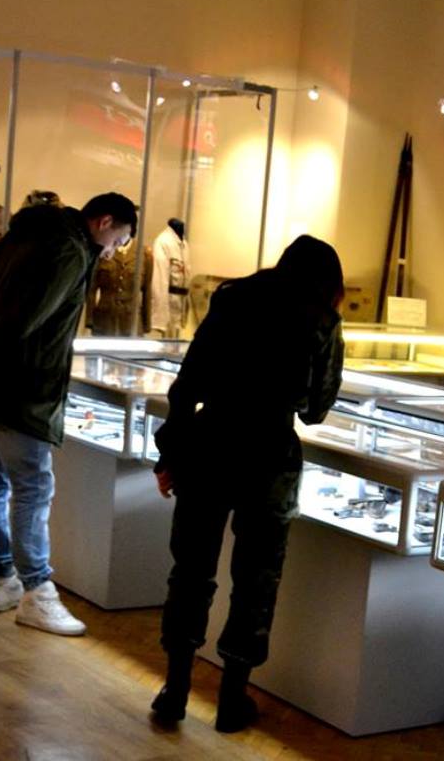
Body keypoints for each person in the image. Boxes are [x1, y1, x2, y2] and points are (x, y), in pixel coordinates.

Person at [149, 235, 344, 732]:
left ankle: (174, 691)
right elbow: (316, 410)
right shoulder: (320, 319)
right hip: (269, 459)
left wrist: (171, 453)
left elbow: (186, 386)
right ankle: (231, 700)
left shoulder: (231, 300)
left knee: (190, 573)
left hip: (209, 448)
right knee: (256, 584)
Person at [0, 192, 137, 636]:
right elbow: (25, 319)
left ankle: (2, 579)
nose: (114, 251)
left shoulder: (27, 234)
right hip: (22, 391)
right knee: (32, 489)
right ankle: (37, 593)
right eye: (119, 240)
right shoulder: (70, 252)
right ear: (105, 222)